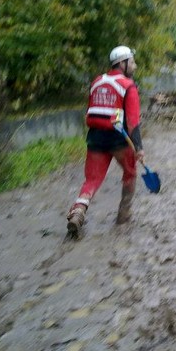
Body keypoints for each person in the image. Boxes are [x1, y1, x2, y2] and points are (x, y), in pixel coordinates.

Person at [66, 46, 145, 236]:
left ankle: (78, 211)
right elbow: (133, 122)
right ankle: (123, 217)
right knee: (130, 174)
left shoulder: (96, 81)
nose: (134, 66)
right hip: (120, 140)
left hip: (95, 138)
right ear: (122, 63)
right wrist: (139, 148)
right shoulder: (128, 86)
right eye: (132, 62)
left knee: (91, 180)